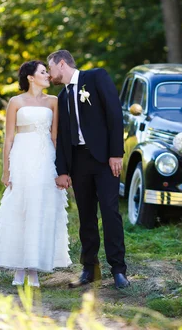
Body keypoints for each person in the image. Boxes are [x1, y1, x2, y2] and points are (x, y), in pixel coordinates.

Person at [48, 50, 130, 289]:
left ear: (61, 64)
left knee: (110, 211)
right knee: (86, 216)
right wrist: (62, 170)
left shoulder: (95, 78)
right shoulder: (62, 98)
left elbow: (115, 114)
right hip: (79, 162)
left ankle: (118, 270)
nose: (50, 73)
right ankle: (90, 269)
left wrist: (117, 153)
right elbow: (62, 137)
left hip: (105, 159)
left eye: (50, 68)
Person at [0, 60, 71, 287]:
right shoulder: (15, 102)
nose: (47, 75)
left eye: (47, 71)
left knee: (41, 208)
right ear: (30, 77)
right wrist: (6, 169)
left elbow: (56, 137)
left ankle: (34, 268)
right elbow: (8, 138)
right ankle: (19, 267)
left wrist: (61, 168)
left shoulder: (54, 101)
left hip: (45, 158)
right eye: (43, 72)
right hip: (22, 157)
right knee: (21, 207)